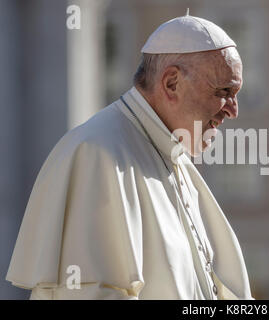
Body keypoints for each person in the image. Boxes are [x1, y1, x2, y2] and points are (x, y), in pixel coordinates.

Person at [6, 12, 253, 300]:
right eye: (224, 91)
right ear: (172, 83)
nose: (233, 110)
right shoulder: (97, 154)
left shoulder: (174, 157)